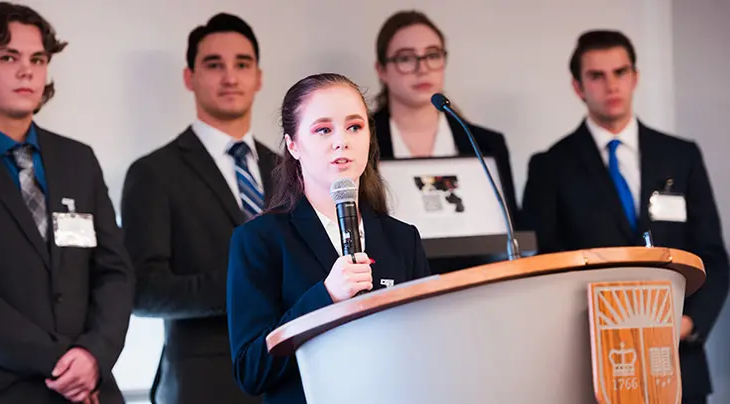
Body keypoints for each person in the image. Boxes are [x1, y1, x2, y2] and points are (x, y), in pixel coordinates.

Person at [521, 30, 729, 404]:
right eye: (597, 76)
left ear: (635, 77)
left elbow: (712, 255)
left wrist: (685, 325)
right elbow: (541, 264)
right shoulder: (550, 167)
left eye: (620, 72)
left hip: (678, 360)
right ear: (578, 87)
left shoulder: (680, 157)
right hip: (593, 364)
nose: (611, 85)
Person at [0, 2, 134, 403]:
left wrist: (93, 356)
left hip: (93, 389)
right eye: (8, 57)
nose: (26, 70)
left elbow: (115, 274)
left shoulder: (78, 160)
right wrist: (62, 361)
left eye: (37, 58)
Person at [227, 73, 433, 404]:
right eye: (323, 130)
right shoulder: (259, 240)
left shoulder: (402, 238)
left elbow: (427, 350)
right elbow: (251, 370)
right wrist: (325, 297)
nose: (342, 141)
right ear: (293, 145)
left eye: (355, 127)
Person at [120, 13, 276, 404]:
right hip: (203, 384)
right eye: (213, 64)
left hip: (291, 377)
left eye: (242, 64)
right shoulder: (154, 173)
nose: (230, 77)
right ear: (189, 77)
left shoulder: (292, 170)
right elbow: (143, 291)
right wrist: (244, 286)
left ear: (258, 77)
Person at [372, 10, 519, 228]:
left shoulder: (486, 143)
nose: (422, 69)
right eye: (406, 58)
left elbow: (510, 228)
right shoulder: (360, 144)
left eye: (432, 55)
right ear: (382, 70)